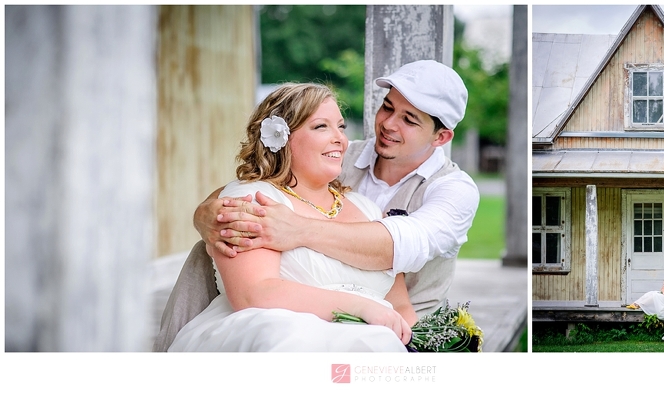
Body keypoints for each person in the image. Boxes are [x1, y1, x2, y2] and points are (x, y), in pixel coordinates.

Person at [194, 60, 479, 317]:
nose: (388, 124)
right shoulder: (337, 157)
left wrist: (297, 228)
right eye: (388, 107)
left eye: (408, 120)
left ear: (441, 137)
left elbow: (400, 245)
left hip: (412, 325)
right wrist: (205, 213)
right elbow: (267, 180)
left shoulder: (454, 190)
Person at [169, 83, 414, 352]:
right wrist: (362, 308)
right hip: (280, 338)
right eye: (321, 126)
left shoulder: (368, 209)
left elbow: (400, 304)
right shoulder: (253, 200)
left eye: (341, 127)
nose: (340, 139)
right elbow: (254, 293)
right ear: (282, 138)